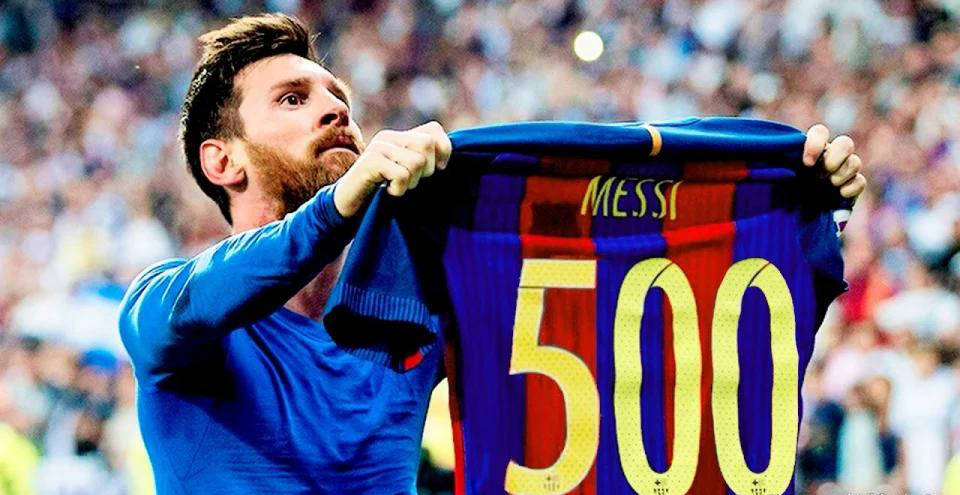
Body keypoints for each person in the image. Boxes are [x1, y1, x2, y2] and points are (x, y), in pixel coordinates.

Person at [117, 13, 867, 494]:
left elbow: (649, 316)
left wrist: (788, 208)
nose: (334, 108)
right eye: (292, 98)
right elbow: (212, 292)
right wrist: (343, 204)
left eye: (336, 95)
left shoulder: (410, 310)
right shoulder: (166, 310)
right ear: (222, 161)